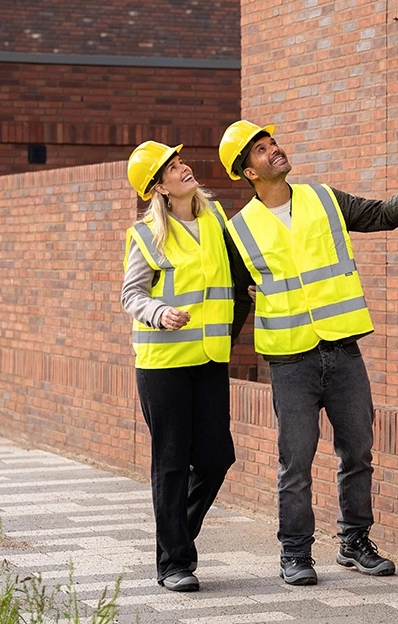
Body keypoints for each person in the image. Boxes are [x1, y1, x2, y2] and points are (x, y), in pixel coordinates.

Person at [217, 120, 398, 586]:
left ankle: (354, 542)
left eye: (273, 143)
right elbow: (238, 298)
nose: (274, 150)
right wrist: (216, 356)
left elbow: (383, 216)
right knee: (296, 463)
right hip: (290, 361)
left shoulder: (323, 199)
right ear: (249, 172)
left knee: (358, 452)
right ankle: (295, 553)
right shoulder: (238, 230)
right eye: (261, 149)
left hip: (343, 351)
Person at [121, 140, 253, 592]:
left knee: (216, 459)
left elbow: (234, 275)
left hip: (210, 358)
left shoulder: (214, 218)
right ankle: (174, 562)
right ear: (159, 187)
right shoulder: (147, 234)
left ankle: (177, 538)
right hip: (163, 365)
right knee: (172, 463)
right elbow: (132, 294)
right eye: (173, 168)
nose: (184, 169)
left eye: (181, 162)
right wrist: (159, 312)